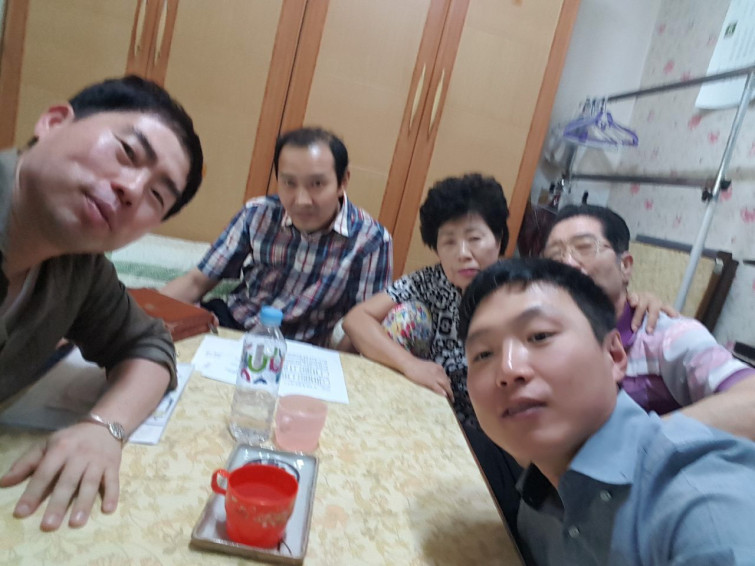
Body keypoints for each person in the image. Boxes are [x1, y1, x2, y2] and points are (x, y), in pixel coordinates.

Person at [343, 176, 667, 531]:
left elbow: (591, 306)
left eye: (474, 238)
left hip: (504, 434)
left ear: (498, 240)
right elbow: (356, 319)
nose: (462, 253)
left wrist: (635, 298)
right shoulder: (431, 281)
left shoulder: (525, 289)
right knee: (406, 317)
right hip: (435, 413)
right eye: (448, 242)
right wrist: (412, 366)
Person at [0, 75, 204, 531]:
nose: (132, 188)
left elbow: (147, 344)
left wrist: (104, 427)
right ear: (54, 122)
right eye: (127, 152)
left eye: (156, 196)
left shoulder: (79, 266)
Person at [459, 258, 755, 565]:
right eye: (483, 354)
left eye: (540, 336)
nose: (508, 370)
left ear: (614, 355)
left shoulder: (698, 497)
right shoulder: (536, 505)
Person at [161, 127, 393, 347]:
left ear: (343, 182)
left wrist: (339, 365)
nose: (301, 200)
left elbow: (361, 326)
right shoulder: (258, 213)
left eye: (317, 184)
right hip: (233, 323)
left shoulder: (371, 241)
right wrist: (146, 316)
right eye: (289, 183)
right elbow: (197, 282)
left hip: (300, 347)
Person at [542, 204, 755, 438]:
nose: (568, 263)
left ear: (625, 266)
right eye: (554, 255)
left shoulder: (668, 337)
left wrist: (636, 442)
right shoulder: (545, 336)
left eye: (585, 247)